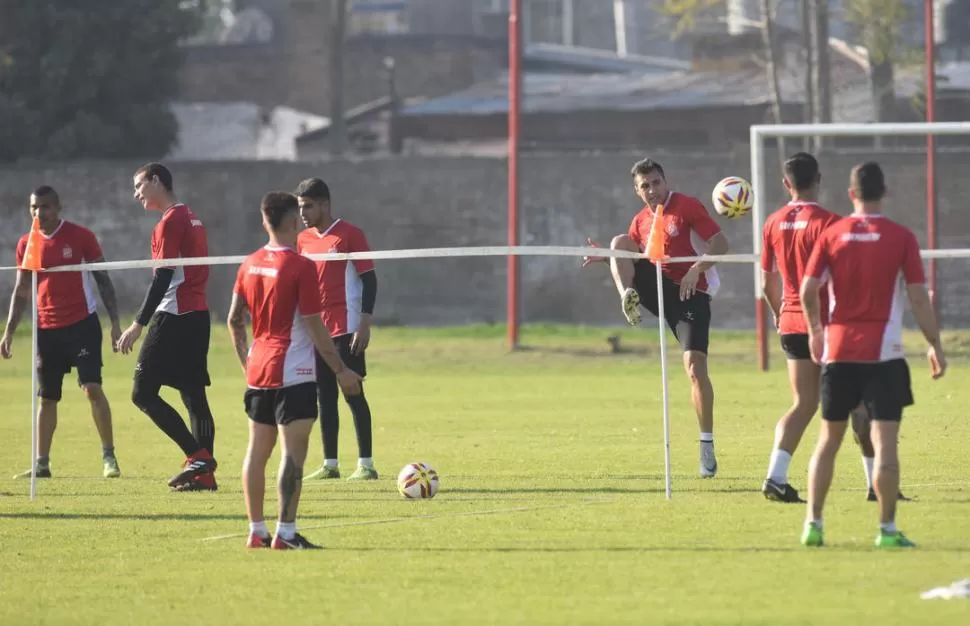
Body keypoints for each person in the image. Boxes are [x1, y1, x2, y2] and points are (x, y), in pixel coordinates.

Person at [799, 161, 945, 548]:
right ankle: (887, 530)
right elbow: (917, 297)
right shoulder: (901, 237)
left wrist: (816, 332)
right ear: (885, 193)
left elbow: (807, 289)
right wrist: (934, 343)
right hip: (884, 357)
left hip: (839, 352)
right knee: (886, 446)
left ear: (851, 194)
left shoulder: (832, 234)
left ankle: (813, 524)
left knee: (827, 441)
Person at [228, 191, 362, 550]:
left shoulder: (249, 263)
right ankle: (285, 533)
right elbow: (317, 328)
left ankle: (257, 531)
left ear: (263, 220)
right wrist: (341, 371)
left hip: (259, 369)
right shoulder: (301, 266)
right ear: (291, 222)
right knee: (292, 454)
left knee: (256, 452)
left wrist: (247, 363)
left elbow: (233, 321)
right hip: (295, 373)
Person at [584, 159, 729, 477]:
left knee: (695, 369)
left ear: (666, 181)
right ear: (637, 191)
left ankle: (706, 444)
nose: (653, 190)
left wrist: (696, 268)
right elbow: (632, 258)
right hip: (656, 289)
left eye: (656, 183)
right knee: (619, 244)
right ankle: (628, 299)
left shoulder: (687, 206)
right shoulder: (640, 221)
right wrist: (608, 260)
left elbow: (721, 243)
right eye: (645, 186)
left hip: (691, 294)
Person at [1, 186, 123, 479]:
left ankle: (109, 457)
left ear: (58, 208)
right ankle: (42, 463)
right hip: (46, 330)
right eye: (33, 207)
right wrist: (8, 333)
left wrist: (115, 323)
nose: (38, 213)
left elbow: (103, 280)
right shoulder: (26, 243)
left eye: (44, 207)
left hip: (82, 326)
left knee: (92, 388)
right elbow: (21, 291)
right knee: (47, 398)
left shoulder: (81, 237)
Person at [116, 163, 218, 492]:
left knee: (142, 393)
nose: (136, 194)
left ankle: (197, 458)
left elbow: (163, 277)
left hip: (173, 314)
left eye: (139, 186)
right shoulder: (191, 216)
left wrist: (137, 324)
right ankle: (204, 475)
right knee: (193, 396)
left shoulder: (171, 220)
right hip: (197, 315)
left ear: (156, 181)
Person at [294, 178, 379, 481]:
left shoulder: (350, 235)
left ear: (325, 205)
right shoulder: (302, 239)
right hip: (317, 332)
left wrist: (364, 324)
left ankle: (366, 464)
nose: (302, 212)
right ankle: (330, 464)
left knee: (353, 392)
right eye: (300, 206)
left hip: (347, 327)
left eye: (308, 206)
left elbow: (369, 280)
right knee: (324, 398)